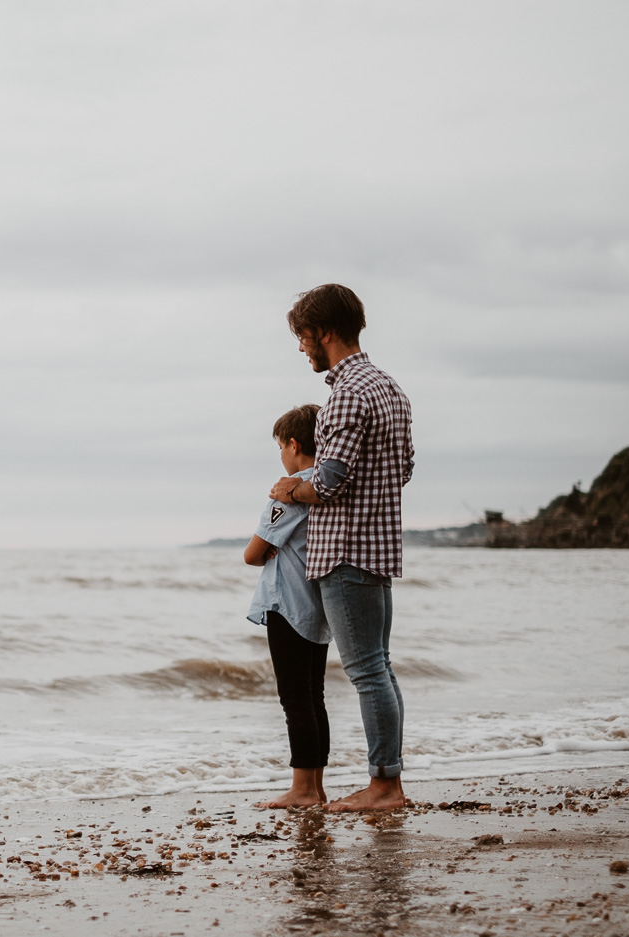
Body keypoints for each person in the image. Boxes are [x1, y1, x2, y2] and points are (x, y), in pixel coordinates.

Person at [269, 284, 414, 812]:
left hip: (346, 552)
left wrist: (290, 488)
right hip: (378, 548)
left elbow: (327, 483)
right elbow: (404, 469)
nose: (303, 347)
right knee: (381, 667)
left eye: (304, 336)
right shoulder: (390, 389)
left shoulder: (347, 393)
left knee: (368, 672)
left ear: (325, 332)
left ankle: (384, 788)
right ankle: (387, 780)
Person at [244, 403, 331, 808]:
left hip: (288, 604)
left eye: (281, 446)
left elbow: (252, 553)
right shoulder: (328, 487)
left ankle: (301, 790)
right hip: (318, 604)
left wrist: (267, 551)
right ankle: (315, 786)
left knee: (294, 697)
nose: (281, 455)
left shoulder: (290, 490)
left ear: (294, 445)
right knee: (314, 695)